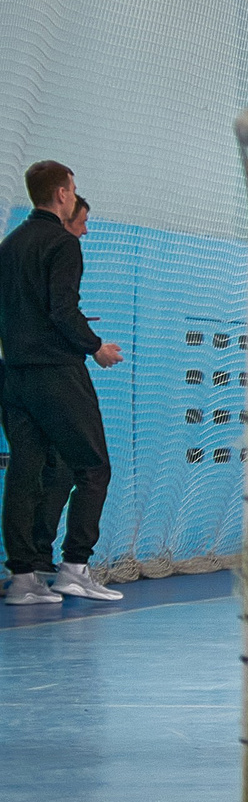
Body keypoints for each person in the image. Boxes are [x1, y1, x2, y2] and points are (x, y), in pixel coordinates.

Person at [1, 169, 124, 605]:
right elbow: (62, 309)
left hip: (13, 374)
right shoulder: (62, 242)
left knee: (24, 470)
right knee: (93, 467)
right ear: (62, 193)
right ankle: (74, 569)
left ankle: (23, 579)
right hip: (56, 371)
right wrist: (95, 347)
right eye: (73, 189)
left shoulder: (10, 244)